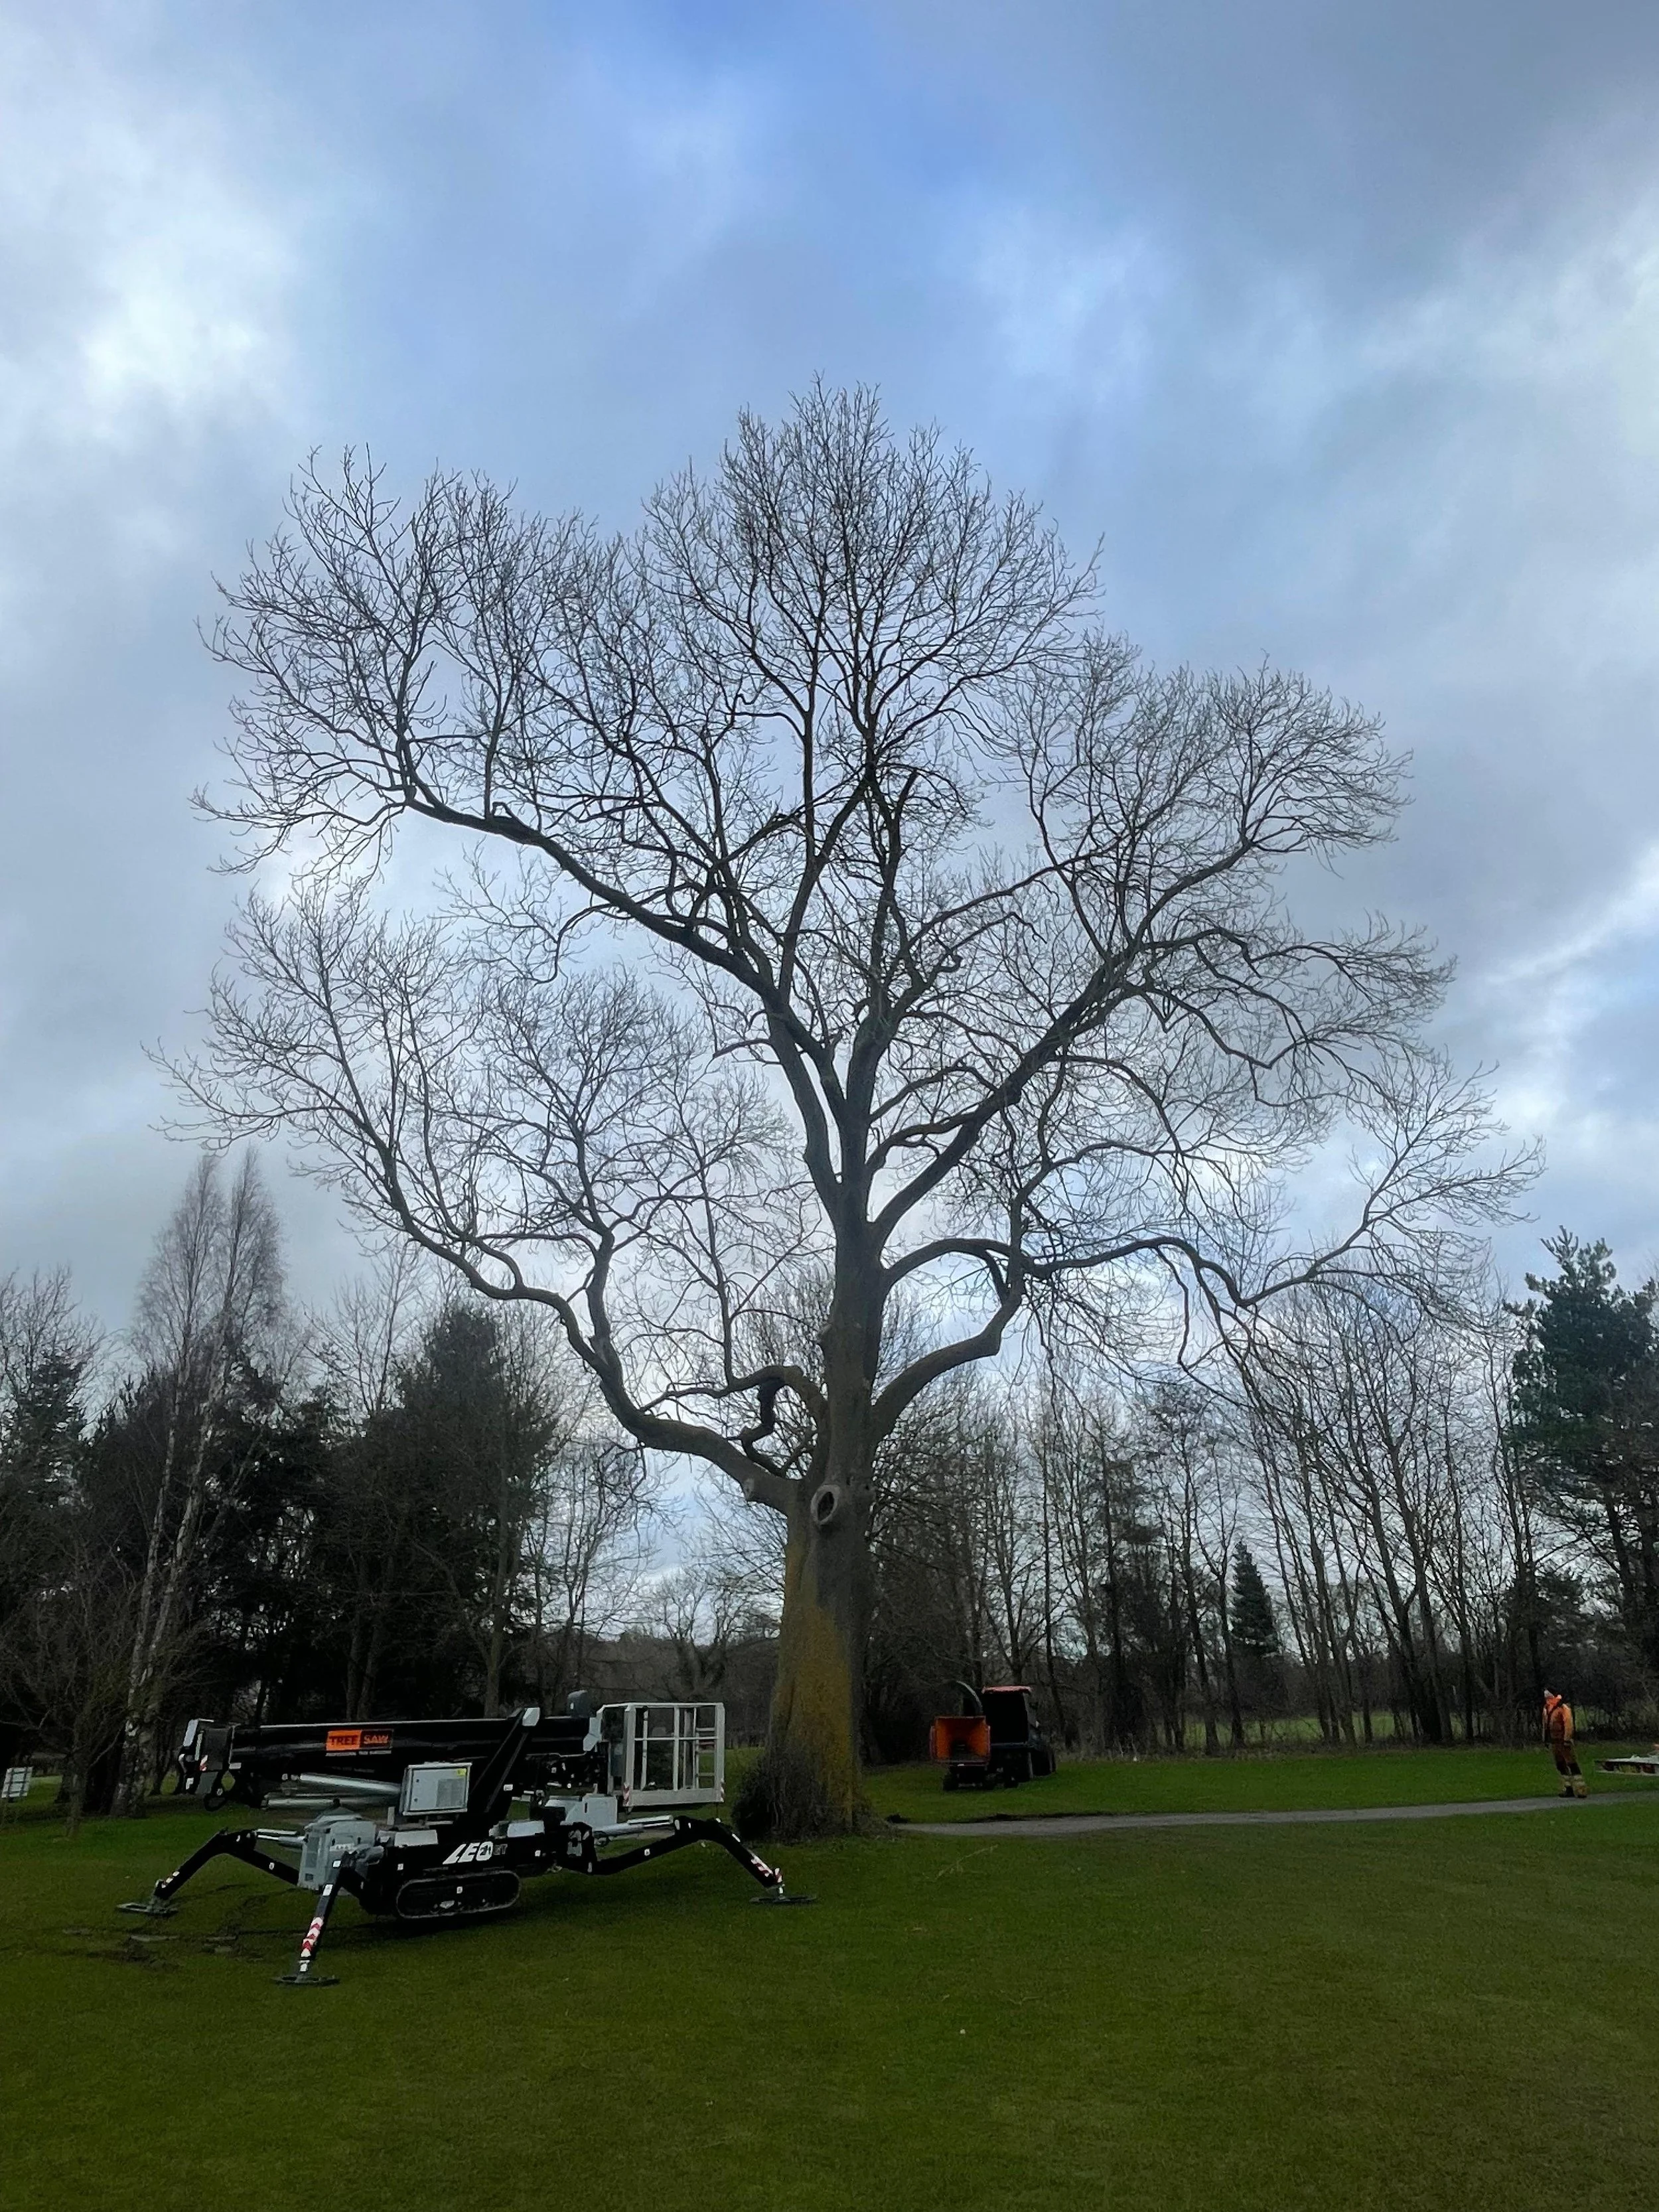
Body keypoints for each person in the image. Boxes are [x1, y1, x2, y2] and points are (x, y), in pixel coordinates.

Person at [1542, 1688, 1587, 1798]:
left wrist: (1567, 1739)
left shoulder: (1563, 1708)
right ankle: (1568, 1788)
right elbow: (1545, 1725)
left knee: (1571, 1764)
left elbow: (1568, 1724)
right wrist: (1545, 1739)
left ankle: (1581, 1789)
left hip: (1563, 1741)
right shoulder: (1547, 1708)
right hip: (1554, 1741)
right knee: (1560, 1765)